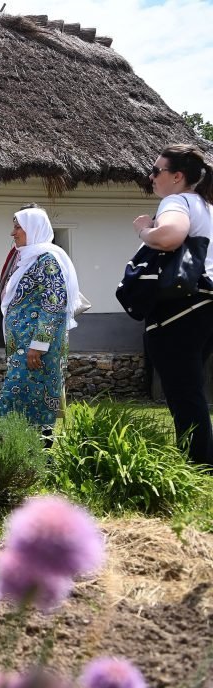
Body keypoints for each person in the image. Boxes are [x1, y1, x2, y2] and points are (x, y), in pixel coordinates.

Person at [133, 144, 213, 467]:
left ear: (177, 176)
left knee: (184, 392)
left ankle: (196, 466)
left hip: (183, 308)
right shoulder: (206, 207)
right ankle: (203, 462)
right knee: (192, 389)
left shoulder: (177, 201)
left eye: (157, 171)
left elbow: (169, 236)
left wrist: (143, 229)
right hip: (206, 305)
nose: (151, 177)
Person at [0, 206, 79, 433]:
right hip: (22, 348)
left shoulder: (47, 260)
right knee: (21, 401)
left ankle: (40, 456)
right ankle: (22, 457)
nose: (13, 233)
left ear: (33, 228)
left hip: (35, 350)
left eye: (17, 227)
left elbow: (54, 304)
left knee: (29, 401)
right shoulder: (27, 260)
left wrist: (39, 345)